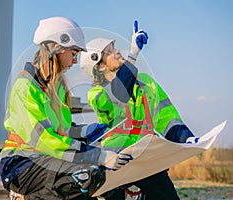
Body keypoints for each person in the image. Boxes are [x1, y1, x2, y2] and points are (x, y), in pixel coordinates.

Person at [0, 16, 133, 200]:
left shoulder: (57, 88)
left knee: (100, 178)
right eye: (74, 53)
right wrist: (97, 155)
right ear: (56, 49)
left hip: (47, 158)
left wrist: (91, 131)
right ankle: (24, 196)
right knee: (86, 176)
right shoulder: (25, 87)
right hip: (21, 164)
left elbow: (64, 130)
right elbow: (44, 140)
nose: (75, 61)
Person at [80, 21, 199, 200]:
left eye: (114, 47)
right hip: (116, 159)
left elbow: (166, 115)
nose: (117, 51)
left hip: (147, 156)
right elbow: (118, 95)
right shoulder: (96, 95)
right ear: (100, 66)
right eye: (109, 51)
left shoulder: (146, 82)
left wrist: (186, 137)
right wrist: (133, 53)